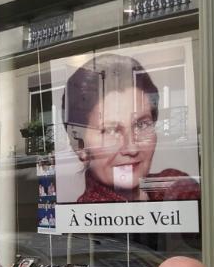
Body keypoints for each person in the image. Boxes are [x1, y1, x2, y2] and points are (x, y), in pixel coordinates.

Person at [62, 54, 200, 203]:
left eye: (141, 124)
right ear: (80, 147)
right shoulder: (87, 221)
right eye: (110, 130)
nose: (132, 149)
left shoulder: (179, 188)